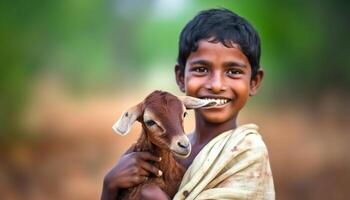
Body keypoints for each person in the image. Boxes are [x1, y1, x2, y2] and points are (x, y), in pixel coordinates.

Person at [101, 8, 275, 200]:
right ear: (180, 77)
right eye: (201, 69)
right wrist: (110, 186)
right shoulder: (166, 151)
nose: (216, 85)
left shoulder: (247, 154)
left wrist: (152, 195)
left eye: (233, 71)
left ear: (254, 82)